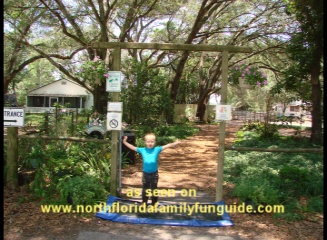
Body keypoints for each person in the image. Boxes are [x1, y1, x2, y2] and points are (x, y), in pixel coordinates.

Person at [122, 133, 181, 206]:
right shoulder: (142, 150)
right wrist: (125, 142)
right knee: (145, 190)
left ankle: (154, 203)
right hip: (145, 174)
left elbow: (167, 146)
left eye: (152, 141)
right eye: (148, 141)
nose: (150, 143)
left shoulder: (157, 149)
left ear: (155, 142)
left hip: (154, 174)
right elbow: (132, 147)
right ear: (145, 142)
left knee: (154, 189)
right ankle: (144, 202)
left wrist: (175, 143)